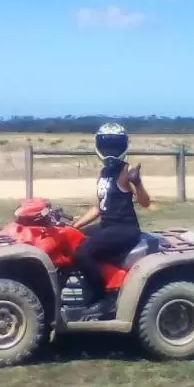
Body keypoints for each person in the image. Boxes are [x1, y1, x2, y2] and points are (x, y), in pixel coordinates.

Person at [70, 122, 152, 316]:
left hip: (124, 229)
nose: (110, 151)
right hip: (107, 226)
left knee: (83, 253)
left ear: (124, 147)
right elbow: (97, 208)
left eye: (115, 146)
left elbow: (145, 202)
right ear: (99, 146)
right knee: (72, 240)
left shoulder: (127, 172)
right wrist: (75, 226)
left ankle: (103, 298)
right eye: (106, 146)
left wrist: (137, 183)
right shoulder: (103, 173)